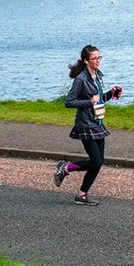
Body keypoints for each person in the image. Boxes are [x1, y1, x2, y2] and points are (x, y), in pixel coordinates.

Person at [53, 45, 123, 206]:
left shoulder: (97, 75)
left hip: (97, 122)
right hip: (85, 124)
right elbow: (69, 102)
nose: (98, 61)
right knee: (96, 161)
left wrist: (111, 94)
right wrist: (89, 102)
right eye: (94, 58)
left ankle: (82, 194)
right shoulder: (81, 79)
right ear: (86, 61)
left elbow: (97, 99)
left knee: (98, 161)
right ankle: (65, 168)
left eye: (99, 58)